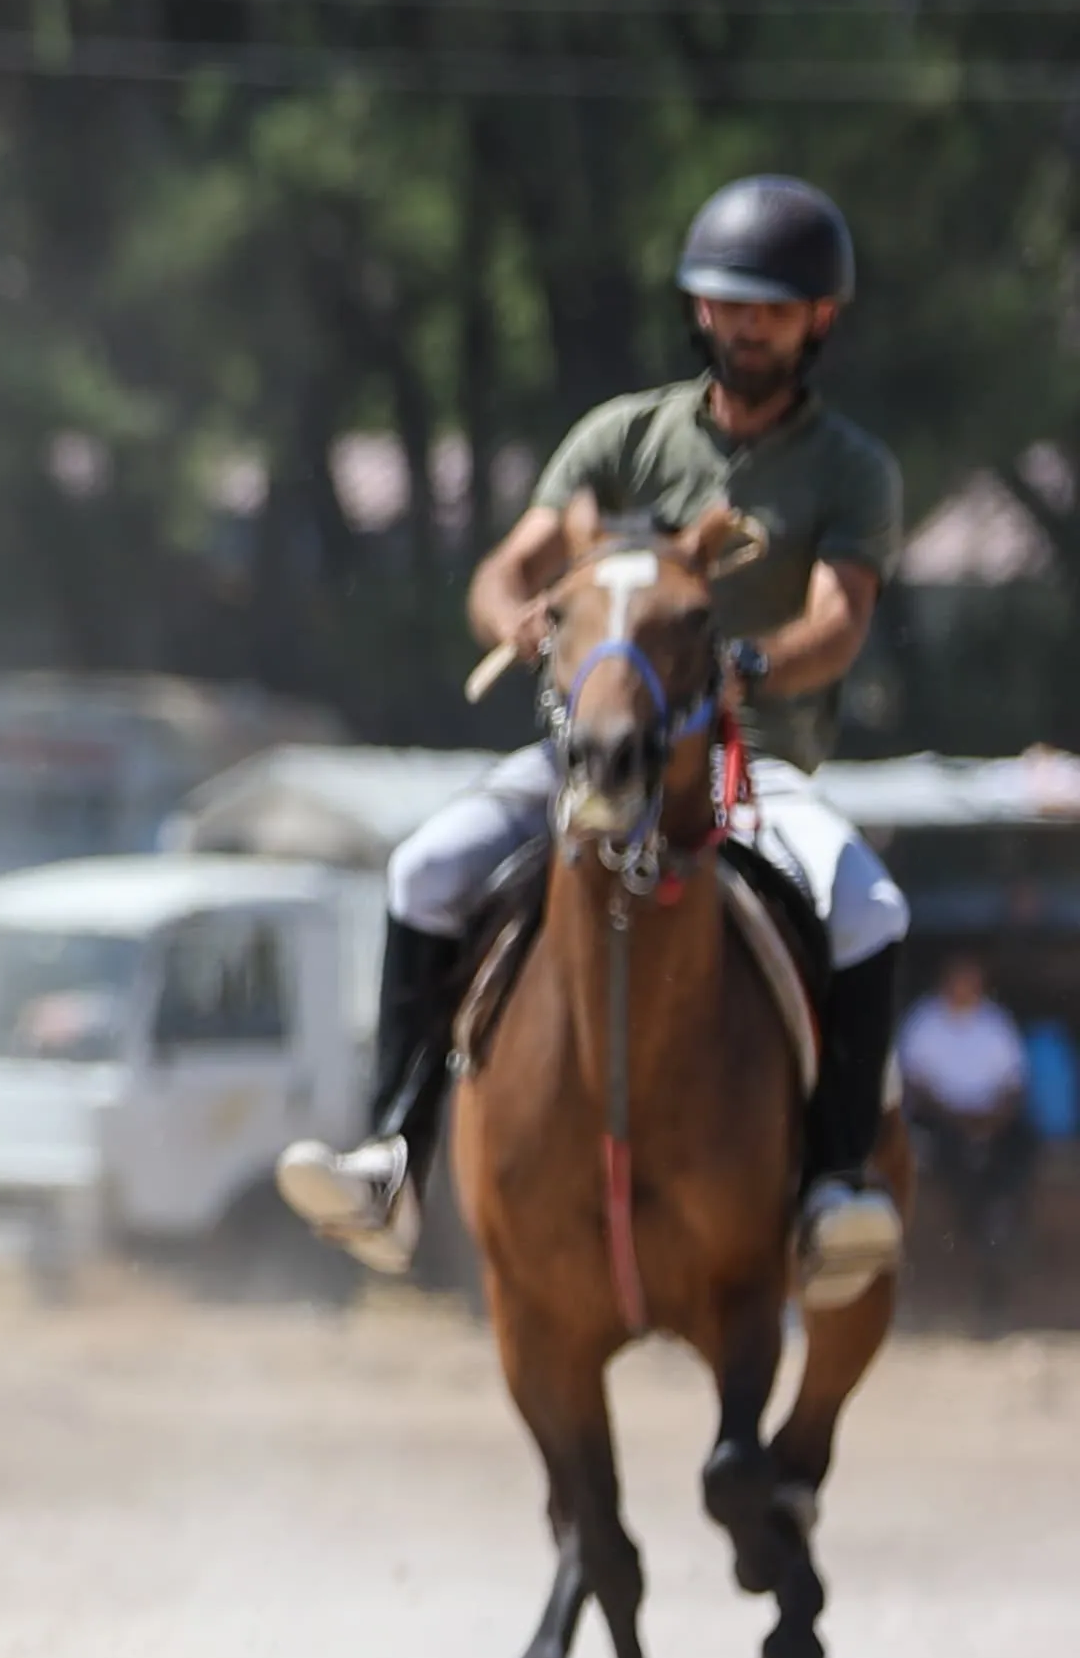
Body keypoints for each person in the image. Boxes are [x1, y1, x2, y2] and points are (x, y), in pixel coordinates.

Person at [277, 177, 909, 1308]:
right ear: (696, 311)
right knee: (422, 868)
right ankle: (391, 1157)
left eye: (767, 309)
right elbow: (502, 570)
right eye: (723, 304)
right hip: (592, 744)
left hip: (746, 762)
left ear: (818, 318)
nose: (742, 325)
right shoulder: (622, 435)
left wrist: (744, 665)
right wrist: (508, 621)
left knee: (868, 907)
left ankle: (830, 1183)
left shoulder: (849, 467)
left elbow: (838, 617)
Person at [898, 950, 1036, 1310]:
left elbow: (1015, 1084)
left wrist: (992, 1118)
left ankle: (1002, 1213)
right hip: (940, 1123)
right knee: (950, 1154)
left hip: (993, 1121)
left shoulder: (995, 1022)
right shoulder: (923, 1021)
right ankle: (981, 1228)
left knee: (1025, 1142)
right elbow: (915, 1085)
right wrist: (959, 1118)